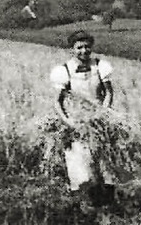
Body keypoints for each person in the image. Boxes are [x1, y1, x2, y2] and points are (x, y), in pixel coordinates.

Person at [49, 30, 115, 210]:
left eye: (87, 46)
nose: (84, 51)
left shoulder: (100, 66)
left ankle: (109, 207)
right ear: (72, 49)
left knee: (104, 163)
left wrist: (103, 113)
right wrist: (68, 121)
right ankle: (85, 207)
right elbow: (57, 101)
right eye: (79, 47)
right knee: (80, 163)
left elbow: (108, 92)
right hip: (77, 123)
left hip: (98, 121)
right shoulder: (64, 70)